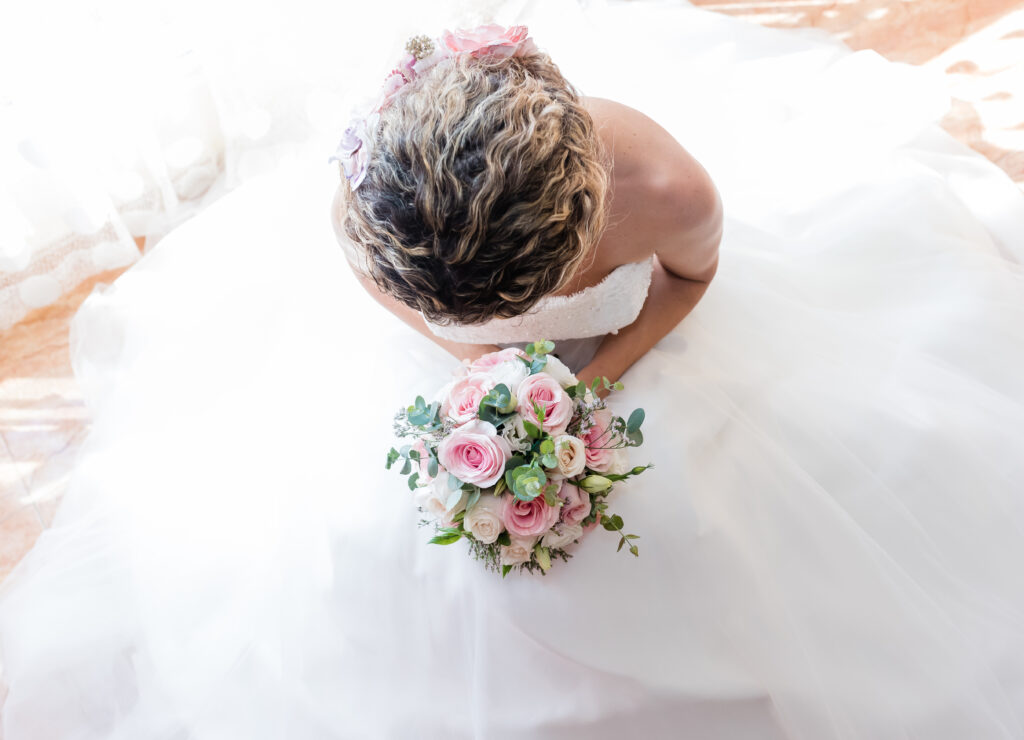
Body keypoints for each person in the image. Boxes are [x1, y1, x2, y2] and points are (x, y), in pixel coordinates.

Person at [3, 2, 1024, 738]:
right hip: (447, 353)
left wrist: (589, 381)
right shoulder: (374, 194)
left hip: (625, 358)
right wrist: (460, 356)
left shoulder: (666, 187)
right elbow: (362, 273)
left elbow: (689, 282)